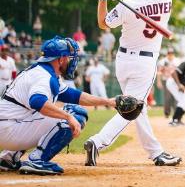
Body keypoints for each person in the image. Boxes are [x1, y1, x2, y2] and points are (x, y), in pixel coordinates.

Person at [84, 0, 181, 167]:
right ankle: (97, 141)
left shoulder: (127, 7)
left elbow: (103, 23)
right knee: (131, 109)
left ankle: (156, 153)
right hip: (144, 63)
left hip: (123, 61)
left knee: (139, 107)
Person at [0, 36, 115, 175]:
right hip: (10, 130)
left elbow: (75, 96)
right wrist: (68, 117)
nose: (70, 61)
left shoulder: (44, 71)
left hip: (9, 126)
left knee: (52, 111)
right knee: (76, 114)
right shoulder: (44, 76)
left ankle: (8, 158)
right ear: (60, 59)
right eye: (67, 57)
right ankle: (38, 160)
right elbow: (37, 101)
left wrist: (108, 102)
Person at [156, 48, 180, 118]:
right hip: (166, 80)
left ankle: (176, 113)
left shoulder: (177, 61)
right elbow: (159, 73)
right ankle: (167, 113)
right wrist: (159, 82)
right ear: (167, 54)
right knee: (167, 97)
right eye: (169, 53)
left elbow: (180, 72)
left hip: (175, 81)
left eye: (171, 53)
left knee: (176, 96)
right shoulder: (163, 61)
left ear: (173, 54)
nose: (170, 54)